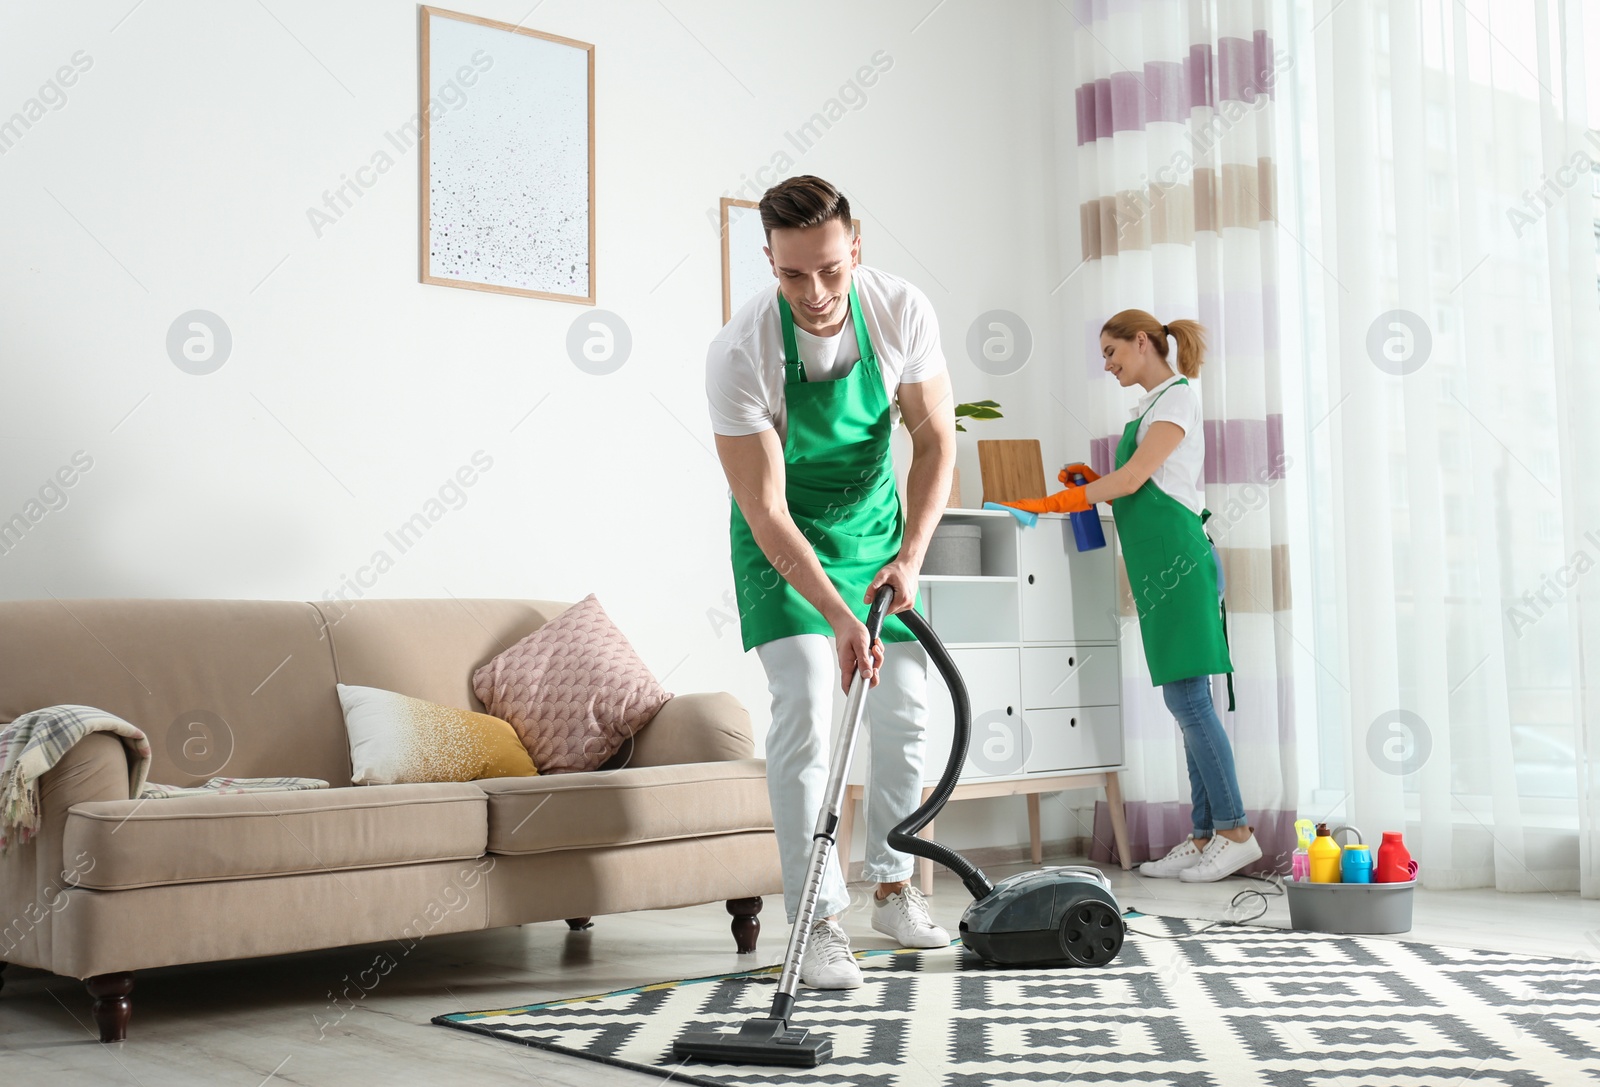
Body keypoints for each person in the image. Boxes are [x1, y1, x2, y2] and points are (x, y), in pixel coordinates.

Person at [705, 176, 957, 987]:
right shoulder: (740, 351)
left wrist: (910, 557)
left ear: (857, 247)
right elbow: (768, 509)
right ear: (770, 263)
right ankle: (814, 917)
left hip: (877, 538)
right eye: (791, 275)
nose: (814, 293)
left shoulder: (900, 312)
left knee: (906, 706)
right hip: (784, 552)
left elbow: (936, 444)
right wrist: (836, 618)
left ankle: (892, 884)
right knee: (811, 705)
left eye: (829, 271)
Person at [1003, 310, 1260, 883]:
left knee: (1190, 699)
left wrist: (1053, 503)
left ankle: (1236, 830)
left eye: (1112, 352)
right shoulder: (1151, 406)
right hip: (1158, 562)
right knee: (1183, 699)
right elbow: (1141, 481)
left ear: (1142, 342)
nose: (1108, 365)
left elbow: (1131, 482)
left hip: (1180, 559)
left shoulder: (1176, 400)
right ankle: (1202, 834)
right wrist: (1086, 481)